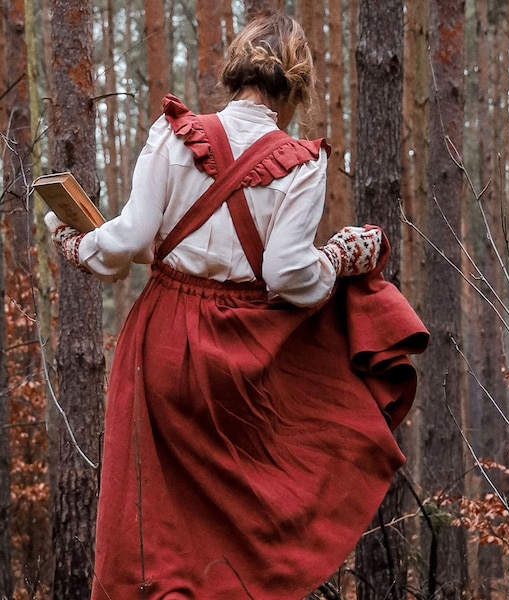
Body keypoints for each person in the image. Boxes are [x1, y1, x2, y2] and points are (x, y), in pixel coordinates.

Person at [45, 12, 428, 600]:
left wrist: (76, 242)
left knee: (149, 529)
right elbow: (289, 275)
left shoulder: (175, 134)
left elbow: (127, 243)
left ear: (237, 67)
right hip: (243, 355)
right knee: (235, 527)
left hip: (160, 342)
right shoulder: (302, 161)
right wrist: (341, 255)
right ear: (295, 84)